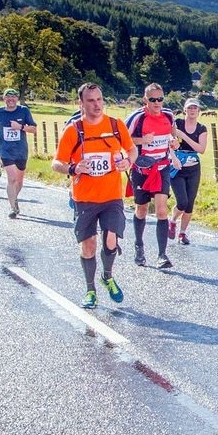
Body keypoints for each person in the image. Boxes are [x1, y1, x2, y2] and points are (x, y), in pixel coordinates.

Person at [51, 83, 134, 309]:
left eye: (99, 99)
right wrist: (74, 168)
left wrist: (128, 161)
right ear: (81, 103)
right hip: (84, 198)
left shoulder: (116, 126)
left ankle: (107, 276)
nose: (96, 105)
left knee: (111, 238)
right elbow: (56, 163)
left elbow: (131, 148)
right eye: (91, 100)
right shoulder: (74, 130)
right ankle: (90, 290)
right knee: (88, 246)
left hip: (112, 196)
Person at [126, 83, 180, 269]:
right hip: (141, 168)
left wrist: (174, 142)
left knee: (161, 210)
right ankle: (139, 246)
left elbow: (173, 133)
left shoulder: (168, 115)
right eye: (153, 99)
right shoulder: (137, 117)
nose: (157, 103)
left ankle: (162, 255)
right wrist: (142, 140)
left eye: (160, 99)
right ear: (145, 100)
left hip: (162, 166)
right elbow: (123, 138)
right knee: (141, 209)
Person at [0, 88, 37, 218]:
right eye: (8, 98)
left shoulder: (23, 111)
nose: (11, 100)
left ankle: (14, 198)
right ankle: (13, 208)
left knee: (19, 180)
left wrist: (20, 127)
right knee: (12, 178)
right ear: (4, 99)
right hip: (5, 150)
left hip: (21, 150)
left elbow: (34, 129)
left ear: (17, 99)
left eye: (13, 97)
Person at [168, 97, 209, 245]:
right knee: (182, 202)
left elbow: (201, 149)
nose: (192, 110)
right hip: (177, 167)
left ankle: (182, 233)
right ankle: (172, 220)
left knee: (190, 203)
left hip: (193, 168)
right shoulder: (177, 123)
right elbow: (169, 142)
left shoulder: (201, 129)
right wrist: (173, 158)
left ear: (199, 111)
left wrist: (184, 136)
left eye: (195, 108)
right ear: (185, 109)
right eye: (190, 108)